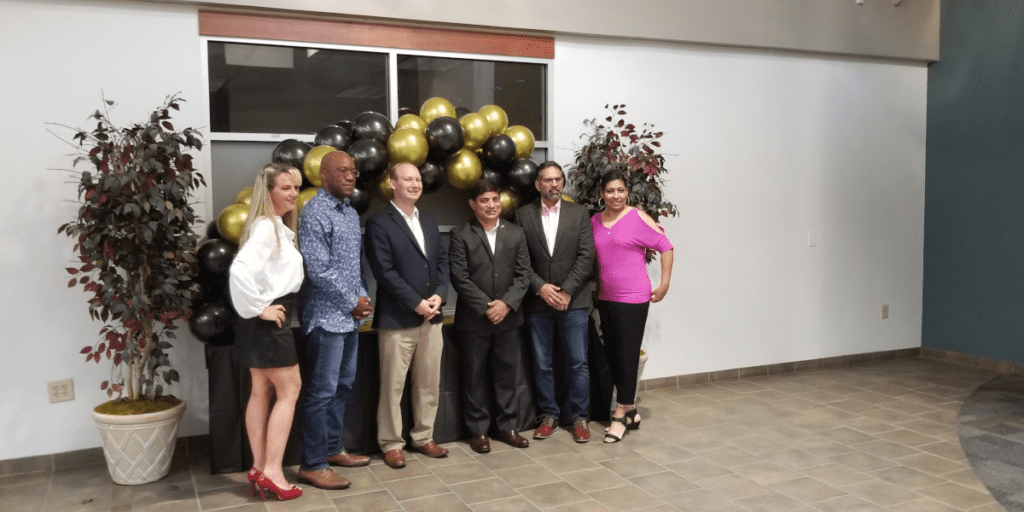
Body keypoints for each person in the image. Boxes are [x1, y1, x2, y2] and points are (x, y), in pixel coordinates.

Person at [365, 163, 450, 469]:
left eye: (418, 179)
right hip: (398, 318)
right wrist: (416, 303)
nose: (415, 184)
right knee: (393, 386)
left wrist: (441, 294)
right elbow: (384, 272)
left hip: (433, 316)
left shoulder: (428, 221)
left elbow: (442, 263)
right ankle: (391, 443)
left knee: (428, 383)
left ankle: (423, 437)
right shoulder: (379, 223)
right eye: (407, 179)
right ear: (392, 184)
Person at [296, 151, 373, 489]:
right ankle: (311, 464)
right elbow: (318, 270)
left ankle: (331, 449)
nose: (350, 176)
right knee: (321, 392)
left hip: (349, 318)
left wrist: (363, 297)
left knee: (343, 387)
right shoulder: (314, 213)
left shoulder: (349, 212)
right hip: (326, 319)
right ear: (323, 175)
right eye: (342, 171)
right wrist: (351, 301)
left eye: (353, 171)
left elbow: (352, 265)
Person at [229, 163, 305, 501]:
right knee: (290, 390)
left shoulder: (270, 227)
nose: (293, 193)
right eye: (286, 187)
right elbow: (240, 271)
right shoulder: (266, 229)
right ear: (269, 191)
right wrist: (260, 307)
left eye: (296, 187)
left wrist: (257, 308)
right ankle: (273, 471)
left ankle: (260, 467)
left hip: (259, 321)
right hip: (269, 319)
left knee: (261, 391)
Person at [449, 179, 533, 453]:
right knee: (474, 376)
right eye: (484, 200)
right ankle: (479, 431)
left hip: (509, 319)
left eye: (495, 199)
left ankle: (508, 427)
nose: (491, 205)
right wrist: (488, 307)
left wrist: (506, 304)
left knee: (507, 374)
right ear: (473, 204)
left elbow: (524, 275)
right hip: (474, 320)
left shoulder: (516, 233)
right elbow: (459, 278)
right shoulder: (460, 233)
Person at [514, 162, 595, 443]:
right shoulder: (522, 215)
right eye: (548, 180)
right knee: (542, 364)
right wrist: (541, 287)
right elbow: (520, 260)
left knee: (578, 363)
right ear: (538, 184)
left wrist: (567, 291)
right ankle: (549, 415)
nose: (554, 185)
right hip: (538, 303)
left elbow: (586, 257)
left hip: (574, 302)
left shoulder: (579, 213)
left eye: (558, 180)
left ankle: (580, 418)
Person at [591, 170, 674, 443]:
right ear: (602, 193)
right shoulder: (595, 221)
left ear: (627, 192)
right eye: (610, 191)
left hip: (634, 298)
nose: (616, 196)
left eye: (620, 190)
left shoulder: (637, 217)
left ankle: (620, 414)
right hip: (606, 298)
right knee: (614, 355)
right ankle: (632, 411)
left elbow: (665, 245)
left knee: (627, 356)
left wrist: (663, 284)